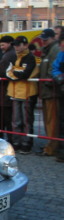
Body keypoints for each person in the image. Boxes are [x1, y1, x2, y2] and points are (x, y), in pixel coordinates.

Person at [6, 35, 39, 154]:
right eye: (15, 45)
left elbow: (25, 74)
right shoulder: (14, 56)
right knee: (16, 120)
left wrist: (14, 71)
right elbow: (7, 72)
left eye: (18, 45)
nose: (16, 47)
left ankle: (26, 143)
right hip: (15, 92)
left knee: (26, 121)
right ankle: (16, 143)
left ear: (25, 45)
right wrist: (17, 72)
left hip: (27, 93)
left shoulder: (30, 57)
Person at [36, 28, 61, 157]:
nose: (43, 41)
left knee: (52, 122)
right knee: (48, 121)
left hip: (52, 92)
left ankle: (53, 147)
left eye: (45, 39)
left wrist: (45, 83)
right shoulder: (48, 50)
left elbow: (52, 70)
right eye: (42, 39)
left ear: (52, 38)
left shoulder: (55, 49)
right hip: (47, 91)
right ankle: (50, 145)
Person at [0, 35, 16, 143]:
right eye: (1, 45)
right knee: (6, 115)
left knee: (7, 116)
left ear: (9, 44)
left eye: (3, 45)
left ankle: (11, 139)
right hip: (4, 88)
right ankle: (9, 137)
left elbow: (2, 71)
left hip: (5, 88)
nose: (1, 47)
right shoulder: (8, 54)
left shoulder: (9, 55)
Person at [52, 33, 64, 162]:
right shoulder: (61, 54)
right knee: (62, 122)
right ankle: (62, 151)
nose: (60, 45)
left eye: (61, 42)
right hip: (62, 92)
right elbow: (55, 68)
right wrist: (59, 77)